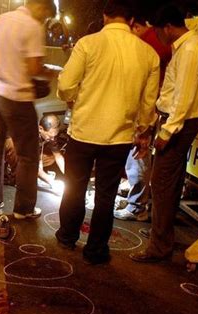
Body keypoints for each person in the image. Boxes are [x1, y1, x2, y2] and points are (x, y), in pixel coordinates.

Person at [54, 0, 160, 265]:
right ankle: (96, 250)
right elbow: (149, 104)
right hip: (119, 136)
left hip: (84, 131)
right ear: (132, 20)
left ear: (105, 16)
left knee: (75, 188)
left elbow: (66, 84)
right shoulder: (149, 55)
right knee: (106, 194)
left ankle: (67, 236)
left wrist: (72, 99)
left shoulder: (88, 44)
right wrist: (144, 131)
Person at [130, 2, 198, 263]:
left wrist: (166, 132)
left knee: (162, 183)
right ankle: (161, 240)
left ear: (168, 27)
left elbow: (183, 98)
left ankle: (159, 248)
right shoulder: (185, 47)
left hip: (179, 125)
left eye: (159, 31)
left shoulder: (191, 50)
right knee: (167, 183)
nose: (158, 38)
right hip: (177, 122)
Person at [0, 0, 57, 220]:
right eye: (45, 15)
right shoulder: (32, 26)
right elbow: (34, 68)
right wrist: (50, 72)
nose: (43, 20)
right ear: (41, 7)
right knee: (28, 155)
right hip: (16, 96)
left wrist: (4, 60)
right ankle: (23, 209)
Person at [114, 15, 172, 221]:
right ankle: (136, 198)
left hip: (144, 109)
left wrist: (144, 126)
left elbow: (147, 88)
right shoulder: (151, 41)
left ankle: (137, 206)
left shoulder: (147, 42)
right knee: (136, 157)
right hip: (145, 107)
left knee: (138, 155)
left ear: (135, 26)